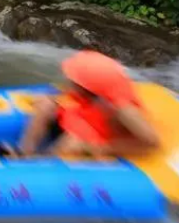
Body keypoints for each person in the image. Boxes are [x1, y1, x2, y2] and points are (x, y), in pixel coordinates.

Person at [17, 50, 160, 157]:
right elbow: (70, 98)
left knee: (70, 143)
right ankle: (25, 152)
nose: (68, 80)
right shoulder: (90, 92)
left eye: (73, 80)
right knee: (45, 104)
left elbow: (151, 143)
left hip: (100, 135)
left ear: (85, 86)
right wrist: (52, 101)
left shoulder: (123, 110)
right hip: (86, 117)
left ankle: (41, 163)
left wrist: (99, 148)